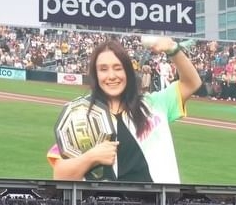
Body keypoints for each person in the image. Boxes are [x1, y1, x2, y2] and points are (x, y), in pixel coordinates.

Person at [47, 36, 202, 184]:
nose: (112, 76)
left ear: (127, 71)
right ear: (95, 75)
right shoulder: (80, 116)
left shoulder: (154, 104)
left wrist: (172, 49)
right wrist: (91, 157)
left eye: (118, 68)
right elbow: (60, 176)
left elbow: (192, 83)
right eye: (103, 69)